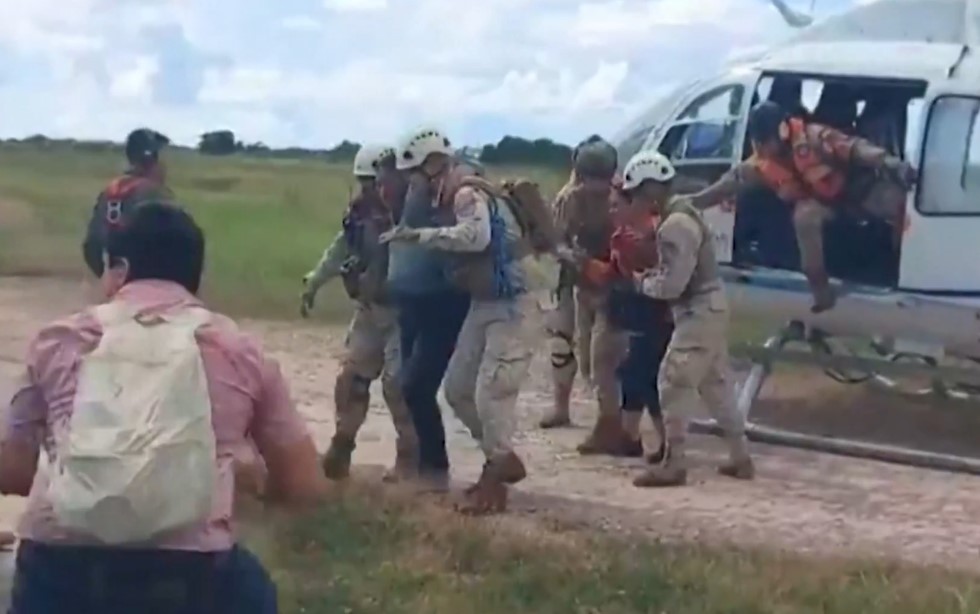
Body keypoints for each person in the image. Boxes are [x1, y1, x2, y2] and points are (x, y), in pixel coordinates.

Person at [0, 201, 328, 612]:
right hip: (190, 576)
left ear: (116, 268)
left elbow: (13, 472)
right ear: (197, 275)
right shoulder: (239, 350)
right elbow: (306, 486)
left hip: (61, 570)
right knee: (254, 588)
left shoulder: (59, 339)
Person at [382, 127, 560, 515]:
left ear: (431, 164)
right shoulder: (447, 192)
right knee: (458, 388)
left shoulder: (465, 191)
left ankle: (495, 480)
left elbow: (476, 238)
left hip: (517, 299)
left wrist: (420, 236)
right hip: (488, 300)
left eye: (413, 171)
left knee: (490, 391)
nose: (410, 181)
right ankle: (500, 459)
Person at [678, 101, 916, 312]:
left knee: (901, 207)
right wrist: (694, 201)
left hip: (859, 192)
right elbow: (729, 184)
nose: (761, 148)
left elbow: (856, 148)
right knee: (805, 217)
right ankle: (820, 289)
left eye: (765, 141)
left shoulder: (816, 137)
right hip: (825, 204)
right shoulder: (760, 164)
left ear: (782, 131)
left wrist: (892, 164)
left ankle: (898, 272)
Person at [619, 150, 755, 488]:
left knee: (673, 380)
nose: (632, 202)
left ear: (649, 190)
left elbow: (672, 285)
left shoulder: (674, 225)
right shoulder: (681, 215)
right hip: (707, 306)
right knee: (716, 385)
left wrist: (640, 282)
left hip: (698, 309)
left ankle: (675, 462)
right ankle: (740, 457)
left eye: (634, 194)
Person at [300, 144, 418, 483]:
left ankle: (410, 454)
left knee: (398, 385)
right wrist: (315, 280)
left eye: (375, 181)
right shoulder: (359, 216)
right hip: (370, 309)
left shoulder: (410, 215)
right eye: (365, 181)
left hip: (402, 311)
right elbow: (340, 249)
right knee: (351, 378)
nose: (371, 189)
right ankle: (342, 444)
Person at [383, 141, 472, 493]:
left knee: (416, 385)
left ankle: (435, 467)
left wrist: (411, 193)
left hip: (441, 302)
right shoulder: (411, 201)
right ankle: (426, 464)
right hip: (412, 303)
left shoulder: (437, 199)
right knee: (411, 385)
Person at [541, 137, 631, 457]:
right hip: (576, 280)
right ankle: (561, 406)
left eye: (601, 177)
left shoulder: (621, 196)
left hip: (614, 282)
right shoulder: (569, 200)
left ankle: (612, 418)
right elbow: (555, 241)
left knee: (606, 356)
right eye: (590, 177)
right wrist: (580, 262)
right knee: (566, 344)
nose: (596, 186)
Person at [579, 189, 673, 463]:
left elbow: (644, 271)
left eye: (616, 205)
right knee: (634, 375)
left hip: (654, 312)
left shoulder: (646, 234)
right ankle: (630, 437)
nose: (611, 211)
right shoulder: (628, 234)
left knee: (644, 375)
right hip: (641, 310)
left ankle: (663, 441)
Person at [82, 128, 174, 278]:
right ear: (150, 160)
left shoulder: (109, 191)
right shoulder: (156, 194)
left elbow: (91, 246)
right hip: (147, 284)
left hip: (115, 281)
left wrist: (109, 277)